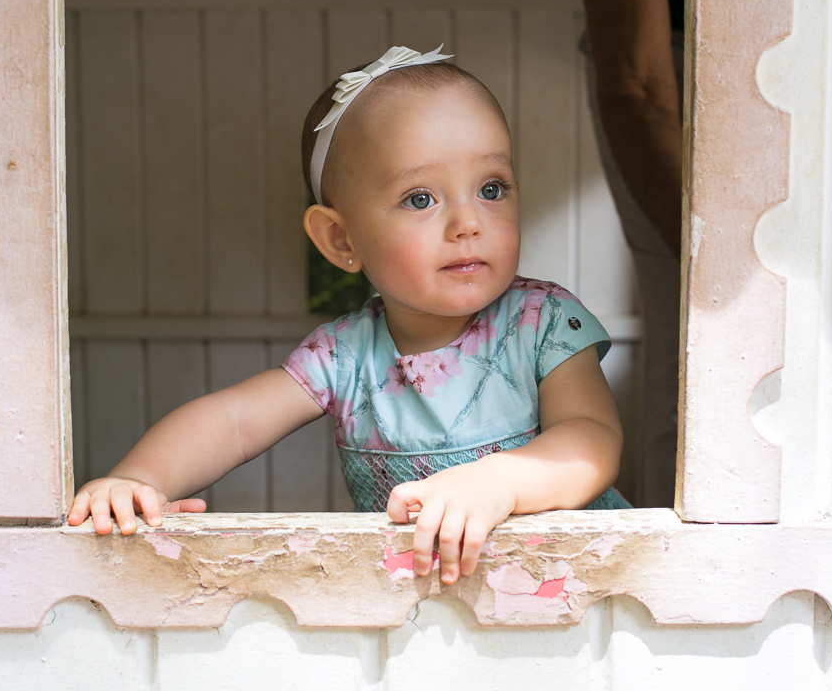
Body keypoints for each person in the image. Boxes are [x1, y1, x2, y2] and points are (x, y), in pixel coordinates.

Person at [67, 46, 630, 585]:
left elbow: (591, 439)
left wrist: (500, 482)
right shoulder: (345, 356)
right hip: (426, 602)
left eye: (491, 188)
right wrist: (138, 479)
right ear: (340, 240)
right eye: (420, 198)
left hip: (576, 587)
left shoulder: (544, 322)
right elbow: (232, 422)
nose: (468, 223)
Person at [573, 0, 685, 508]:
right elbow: (635, 87)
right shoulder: (343, 351)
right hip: (665, 58)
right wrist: (709, 258)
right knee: (697, 351)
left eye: (493, 189)